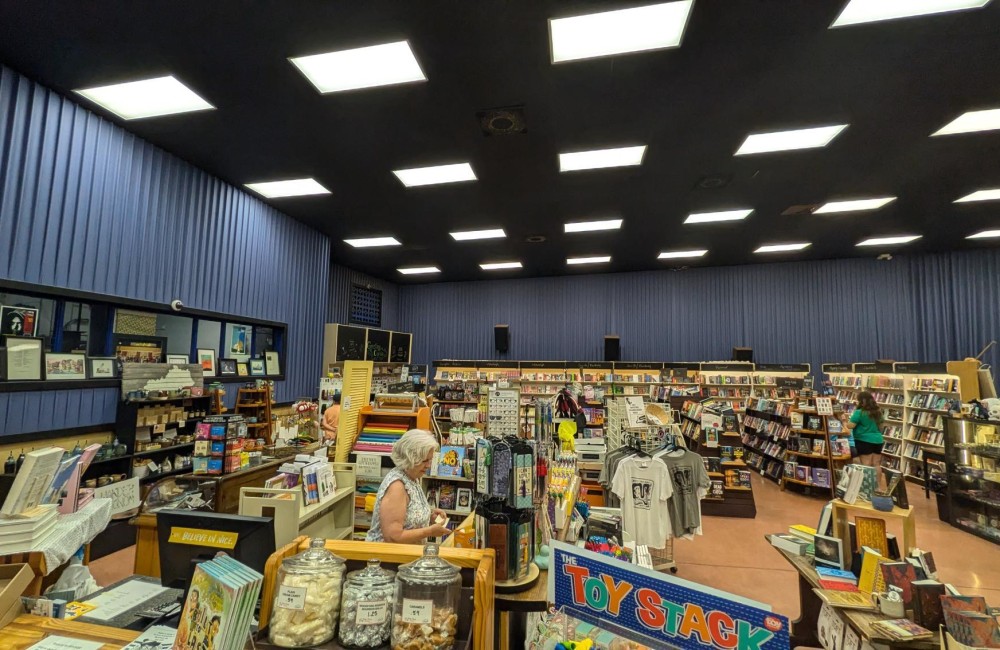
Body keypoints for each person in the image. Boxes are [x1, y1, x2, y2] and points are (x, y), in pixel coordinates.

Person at [366, 429, 450, 543]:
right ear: (410, 458)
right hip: (389, 558)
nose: (429, 465)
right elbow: (393, 537)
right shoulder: (397, 486)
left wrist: (429, 516)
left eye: (430, 460)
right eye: (424, 461)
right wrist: (429, 531)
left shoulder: (412, 477)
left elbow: (408, 517)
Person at [843, 391, 884, 479]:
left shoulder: (859, 412)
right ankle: (877, 487)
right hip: (878, 440)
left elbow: (851, 426)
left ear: (862, 401)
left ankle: (867, 488)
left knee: (866, 465)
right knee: (876, 464)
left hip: (864, 440)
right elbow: (881, 427)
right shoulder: (878, 412)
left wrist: (844, 421)